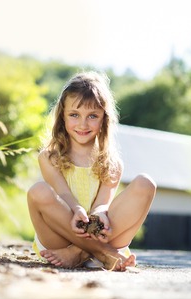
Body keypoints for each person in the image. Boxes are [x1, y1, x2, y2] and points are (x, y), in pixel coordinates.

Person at [27, 71, 156, 271]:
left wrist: (99, 214)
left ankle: (80, 253)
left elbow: (102, 203)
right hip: (59, 238)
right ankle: (102, 253)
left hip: (102, 235)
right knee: (38, 191)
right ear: (62, 116)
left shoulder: (112, 163)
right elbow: (62, 193)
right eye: (74, 115)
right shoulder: (49, 157)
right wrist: (77, 210)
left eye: (92, 116)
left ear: (104, 118)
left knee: (146, 184)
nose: (82, 124)